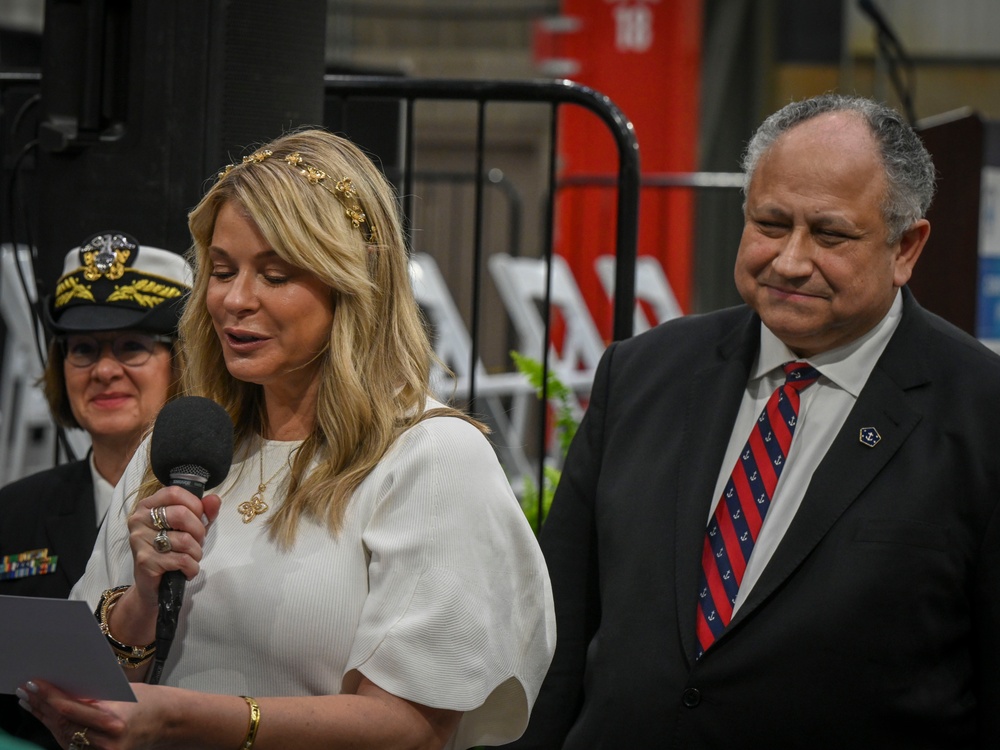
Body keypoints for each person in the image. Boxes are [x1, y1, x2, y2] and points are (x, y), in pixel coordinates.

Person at [16, 129, 555, 750]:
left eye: (274, 275)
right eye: (221, 271)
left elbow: (410, 731)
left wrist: (179, 718)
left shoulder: (429, 457)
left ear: (350, 286)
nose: (234, 300)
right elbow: (91, 685)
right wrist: (141, 596)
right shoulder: (185, 443)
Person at [509, 93, 1000, 748]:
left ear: (906, 247)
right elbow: (559, 630)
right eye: (770, 224)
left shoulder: (979, 412)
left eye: (829, 235)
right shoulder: (643, 374)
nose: (790, 260)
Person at [0, 234, 191, 748]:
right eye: (83, 350)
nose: (105, 371)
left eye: (132, 346)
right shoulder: (12, 512)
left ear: (182, 363)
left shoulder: (226, 505)